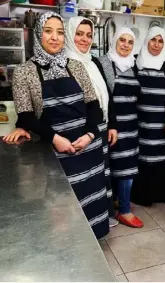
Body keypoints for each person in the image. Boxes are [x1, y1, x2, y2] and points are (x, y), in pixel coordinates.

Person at [3, 12, 109, 239]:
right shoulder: (24, 72)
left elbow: (93, 106)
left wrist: (90, 134)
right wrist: (55, 138)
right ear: (38, 34)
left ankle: (93, 250)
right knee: (61, 209)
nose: (55, 37)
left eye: (60, 32)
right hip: (57, 155)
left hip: (87, 149)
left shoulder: (76, 67)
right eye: (49, 31)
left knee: (91, 202)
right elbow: (26, 116)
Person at [65, 16, 119, 228]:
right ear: (70, 35)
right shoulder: (64, 63)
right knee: (85, 178)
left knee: (101, 174)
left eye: (89, 35)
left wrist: (112, 124)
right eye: (79, 34)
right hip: (80, 132)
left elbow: (106, 95)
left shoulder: (93, 61)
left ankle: (103, 216)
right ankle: (84, 223)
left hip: (100, 127)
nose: (84, 39)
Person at [98, 27, 143, 228]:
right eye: (122, 40)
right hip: (113, 126)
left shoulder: (135, 65)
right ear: (115, 41)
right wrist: (109, 124)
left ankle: (122, 205)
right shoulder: (104, 63)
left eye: (130, 42)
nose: (125, 45)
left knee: (128, 168)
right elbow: (103, 97)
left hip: (131, 126)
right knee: (113, 168)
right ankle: (118, 209)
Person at [131, 26, 165, 206]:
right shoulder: (135, 60)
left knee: (164, 157)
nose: (156, 45)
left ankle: (164, 194)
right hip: (142, 120)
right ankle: (144, 195)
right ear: (146, 40)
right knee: (144, 157)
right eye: (153, 40)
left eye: (160, 41)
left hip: (163, 121)